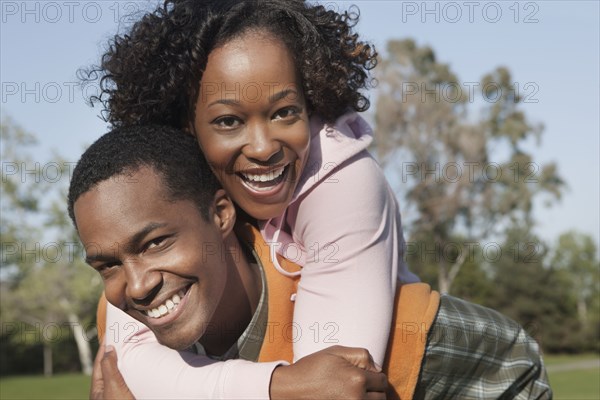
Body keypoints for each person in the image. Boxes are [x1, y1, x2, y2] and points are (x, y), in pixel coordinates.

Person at [69, 125, 552, 399]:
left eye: (155, 243)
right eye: (107, 265)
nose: (134, 286)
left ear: (219, 214)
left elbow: (512, 357)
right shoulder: (126, 332)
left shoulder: (388, 327)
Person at [84, 0, 420, 389]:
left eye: (284, 112)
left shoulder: (344, 184)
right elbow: (130, 362)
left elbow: (335, 385)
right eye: (229, 121)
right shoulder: (177, 198)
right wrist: (276, 387)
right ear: (185, 128)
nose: (263, 147)